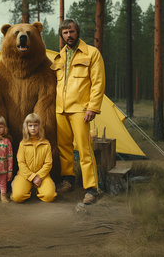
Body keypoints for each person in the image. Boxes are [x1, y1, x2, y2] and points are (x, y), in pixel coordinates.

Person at [51, 19, 105, 204]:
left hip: (80, 110)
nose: (69, 35)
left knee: (84, 149)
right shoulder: (59, 57)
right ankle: (68, 180)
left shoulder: (92, 53)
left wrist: (92, 107)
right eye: (65, 33)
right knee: (64, 148)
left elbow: (98, 83)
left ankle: (91, 189)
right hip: (60, 110)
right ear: (62, 36)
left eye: (71, 31)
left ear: (77, 32)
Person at [11, 113, 57, 203]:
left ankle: (45, 186)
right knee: (18, 197)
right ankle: (19, 183)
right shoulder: (22, 143)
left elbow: (48, 163)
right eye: (30, 125)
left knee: (50, 197)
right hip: (25, 175)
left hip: (42, 176)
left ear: (39, 127)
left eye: (35, 125)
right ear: (26, 127)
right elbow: (21, 163)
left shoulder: (46, 143)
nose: (33, 128)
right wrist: (33, 177)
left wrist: (39, 177)